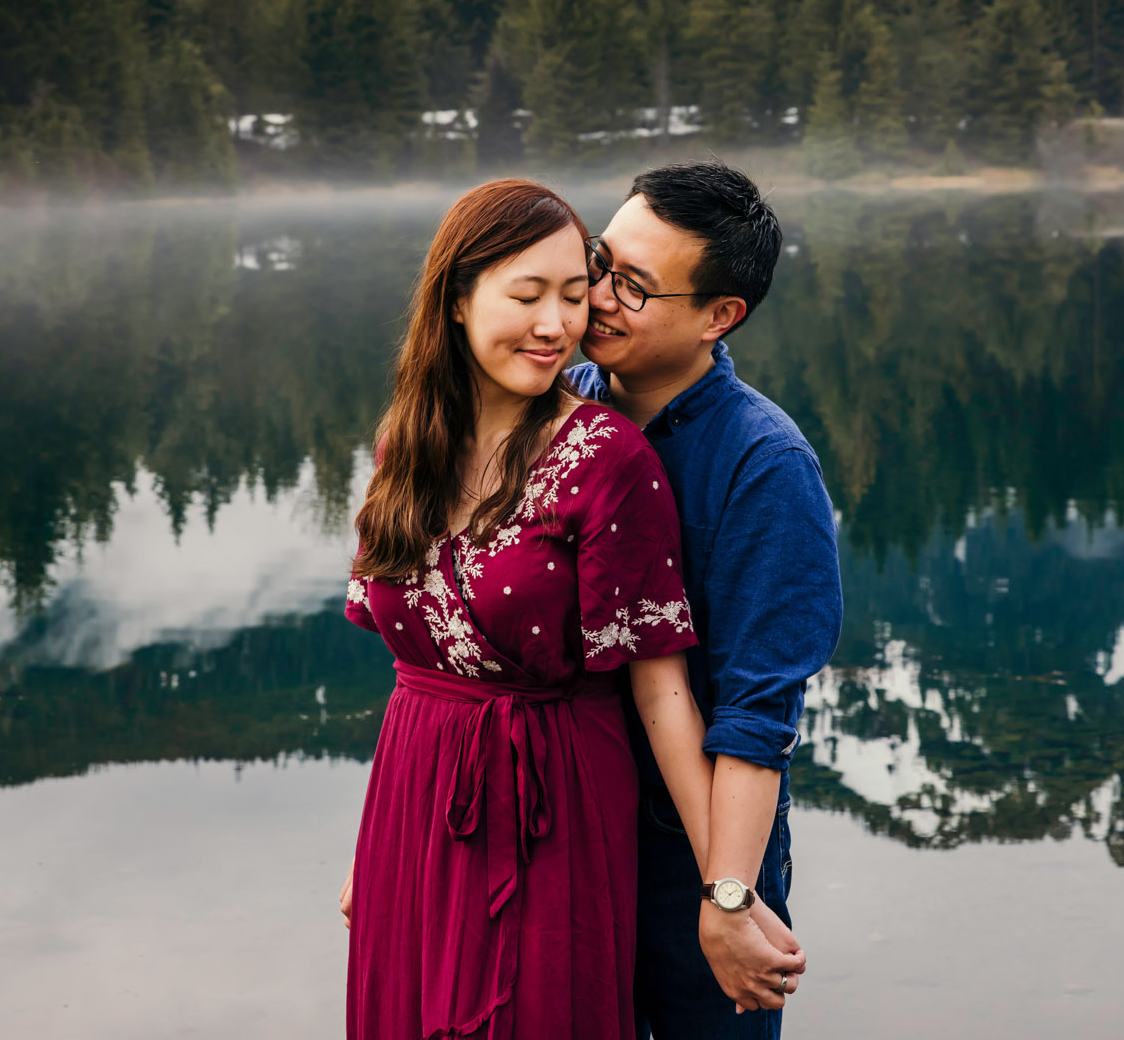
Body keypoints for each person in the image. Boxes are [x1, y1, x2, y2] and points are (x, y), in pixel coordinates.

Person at [337, 179, 774, 1039]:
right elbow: (415, 673)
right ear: (457, 300)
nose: (558, 324)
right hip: (414, 796)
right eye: (527, 295)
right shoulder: (404, 443)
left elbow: (663, 690)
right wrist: (374, 846)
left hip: (553, 801)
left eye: (576, 295)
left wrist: (727, 891)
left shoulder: (607, 456)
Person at [568, 162, 844, 1038]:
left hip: (688, 851)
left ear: (721, 316)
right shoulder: (554, 404)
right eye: (600, 262)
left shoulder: (765, 468)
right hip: (561, 830)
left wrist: (728, 896)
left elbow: (757, 714)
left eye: (636, 288)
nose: (600, 296)